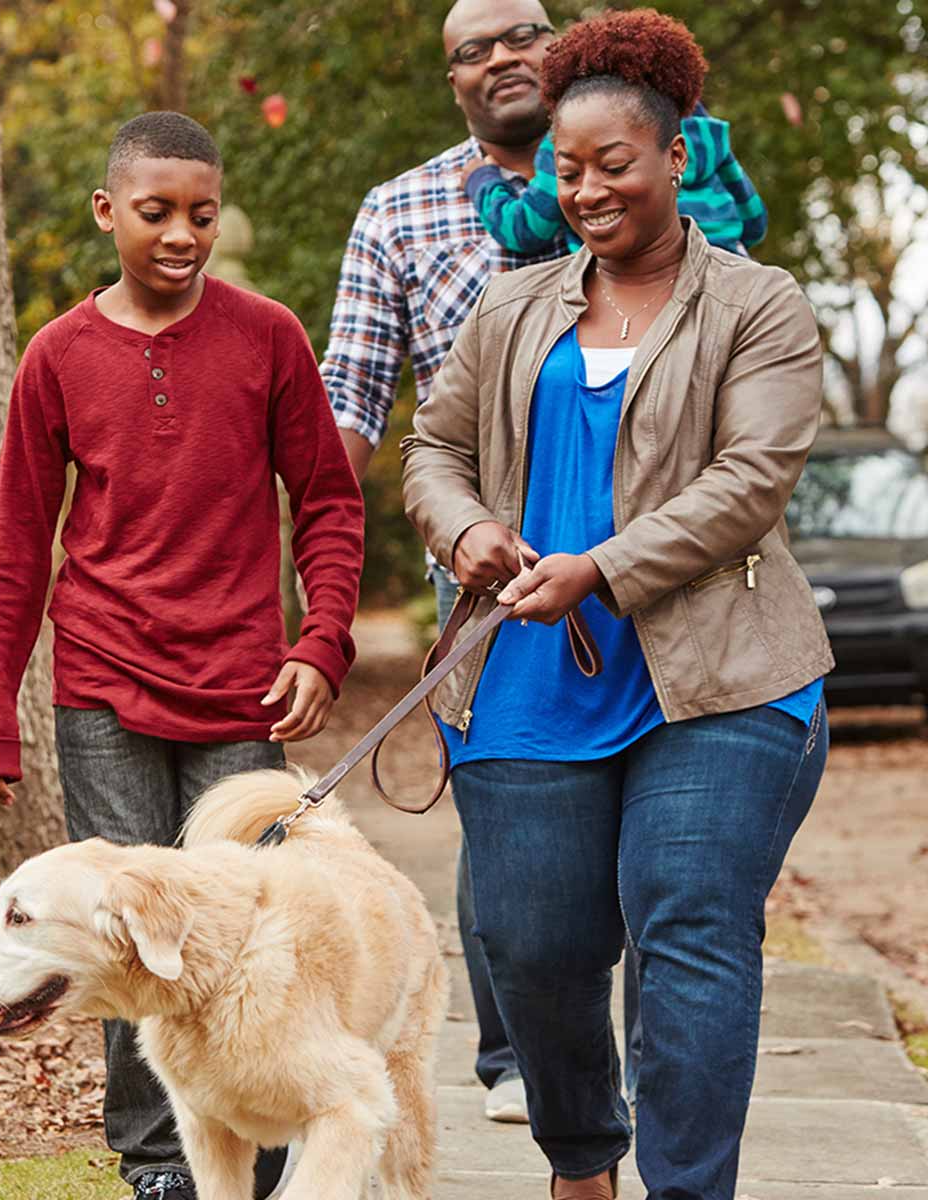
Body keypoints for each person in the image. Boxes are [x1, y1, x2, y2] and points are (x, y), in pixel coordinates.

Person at [401, 11, 833, 1200]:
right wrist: (470, 527)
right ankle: (582, 1162)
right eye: (568, 168)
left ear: (677, 155)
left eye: (614, 164)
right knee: (534, 947)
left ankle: (687, 1190)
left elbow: (751, 480)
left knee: (689, 932)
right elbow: (432, 450)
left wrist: (602, 568)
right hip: (528, 678)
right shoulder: (514, 306)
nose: (587, 190)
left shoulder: (760, 304)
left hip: (723, 679)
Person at [0, 111, 364, 1200]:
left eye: (201, 212)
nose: (183, 233)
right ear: (108, 213)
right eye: (156, 213)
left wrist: (322, 640)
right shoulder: (57, 357)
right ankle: (157, 1166)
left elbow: (325, 498)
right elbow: (16, 546)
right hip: (102, 689)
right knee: (119, 939)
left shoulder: (269, 336)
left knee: (244, 931)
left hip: (245, 692)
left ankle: (278, 1149)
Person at [319, 0, 568, 1126]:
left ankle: (633, 1044)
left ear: (561, 45)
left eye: (522, 34)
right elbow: (352, 401)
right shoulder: (399, 210)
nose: (502, 59)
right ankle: (516, 1053)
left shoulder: (639, 168)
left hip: (646, 537)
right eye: (473, 50)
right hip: (483, 552)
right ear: (452, 81)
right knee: (507, 799)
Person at [466, 99, 768, 258]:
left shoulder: (570, 135)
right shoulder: (706, 131)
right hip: (729, 270)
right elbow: (754, 222)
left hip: (637, 292)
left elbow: (525, 229)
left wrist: (482, 179)